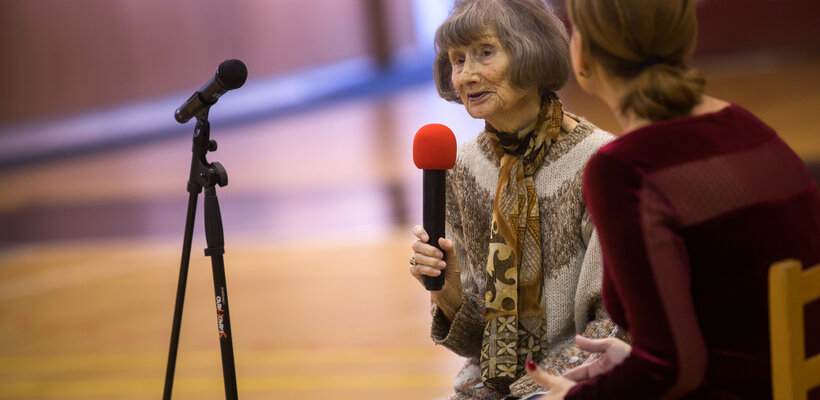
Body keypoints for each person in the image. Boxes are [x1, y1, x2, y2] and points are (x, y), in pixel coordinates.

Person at [523, 0, 820, 398]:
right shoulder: (745, 125)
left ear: (584, 54)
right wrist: (638, 361)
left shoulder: (624, 170)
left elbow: (675, 371)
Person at [408, 0, 619, 398]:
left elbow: (612, 324)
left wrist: (532, 391)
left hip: (578, 383)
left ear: (531, 52)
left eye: (484, 53)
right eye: (457, 60)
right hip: (488, 388)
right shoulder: (461, 169)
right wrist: (449, 292)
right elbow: (478, 346)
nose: (467, 75)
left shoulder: (600, 163)